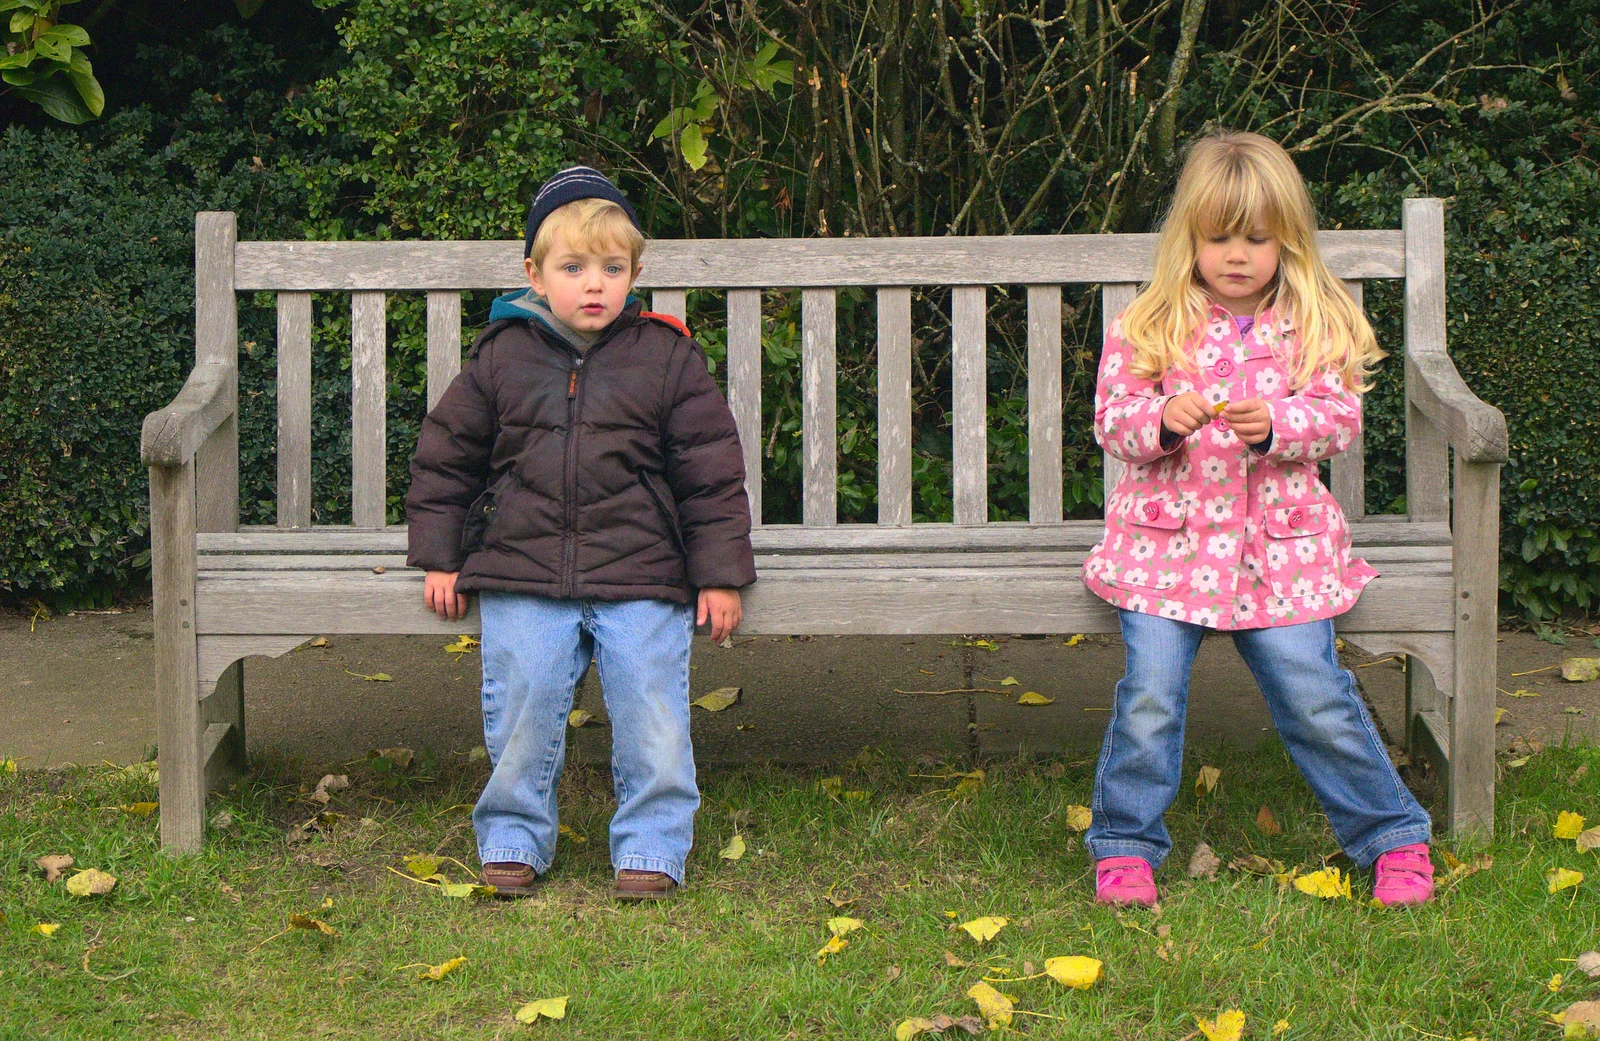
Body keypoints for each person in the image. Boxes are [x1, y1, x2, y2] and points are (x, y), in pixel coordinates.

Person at [1081, 132, 1434, 908]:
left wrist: (1277, 424)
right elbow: (1114, 420)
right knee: (1150, 691)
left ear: (1288, 240)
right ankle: (1125, 844)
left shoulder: (1314, 320)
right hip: (1166, 555)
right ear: (1190, 240)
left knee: (1314, 690)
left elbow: (1338, 418)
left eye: (1256, 237)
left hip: (1281, 554)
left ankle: (1393, 836)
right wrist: (1163, 418)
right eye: (1218, 237)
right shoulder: (1151, 323)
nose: (1235, 255)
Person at [406, 166, 756, 901]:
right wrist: (440, 555)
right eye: (573, 267)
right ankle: (512, 834)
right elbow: (447, 458)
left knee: (650, 702)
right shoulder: (502, 354)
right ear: (533, 274)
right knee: (525, 691)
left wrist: (719, 573)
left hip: (642, 570)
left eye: (612, 267)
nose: (594, 283)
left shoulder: (666, 356)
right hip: (525, 567)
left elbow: (709, 470)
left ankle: (652, 844)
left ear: (634, 272)